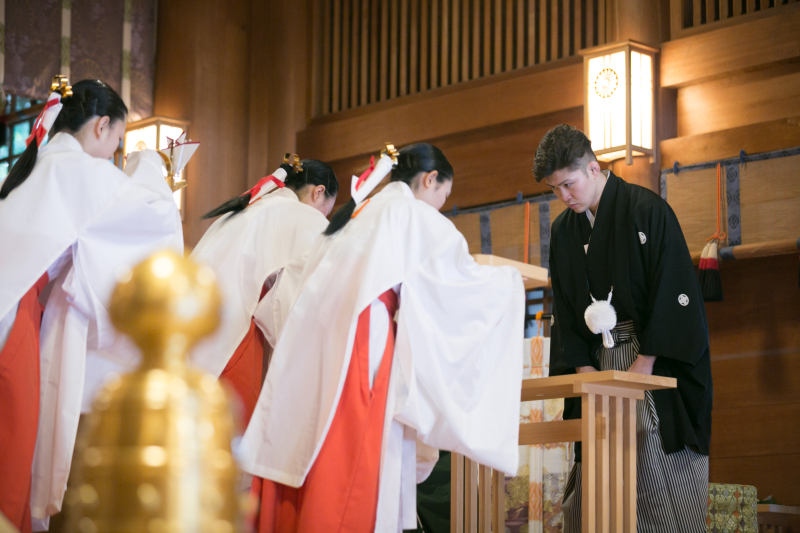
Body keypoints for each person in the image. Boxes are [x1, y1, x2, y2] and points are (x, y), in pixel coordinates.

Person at [240, 143, 525, 533]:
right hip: (363, 343)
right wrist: (510, 284)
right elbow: (457, 283)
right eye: (443, 195)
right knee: (352, 465)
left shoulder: (360, 210)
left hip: (318, 342)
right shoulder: (411, 213)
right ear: (430, 180)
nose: (440, 205)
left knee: (314, 456)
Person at [0, 78, 183, 532]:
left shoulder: (45, 159)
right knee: (12, 444)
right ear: (102, 126)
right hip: (16, 318)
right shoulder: (79, 169)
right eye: (119, 141)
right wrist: (148, 168)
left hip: (16, 305)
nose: (116, 154)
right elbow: (157, 218)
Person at [534, 125, 712, 532]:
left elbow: (675, 291)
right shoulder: (563, 232)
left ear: (593, 168)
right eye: (554, 188)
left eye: (568, 183)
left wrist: (646, 362)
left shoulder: (646, 210)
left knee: (653, 469)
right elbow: (564, 306)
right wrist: (583, 374)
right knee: (596, 486)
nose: (563, 197)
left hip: (649, 359)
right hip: (596, 367)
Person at [189, 157, 338, 425]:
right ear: (319, 192)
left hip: (192, 322)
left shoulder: (246, 207)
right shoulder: (305, 216)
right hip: (234, 329)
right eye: (327, 209)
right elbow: (299, 296)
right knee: (230, 433)